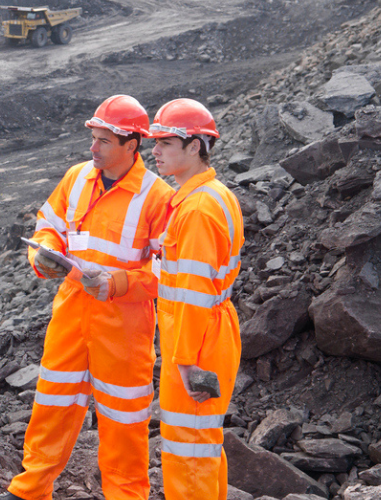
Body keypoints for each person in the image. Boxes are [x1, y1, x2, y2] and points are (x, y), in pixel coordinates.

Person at [0, 95, 174, 500]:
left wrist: (117, 284)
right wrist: (41, 256)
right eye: (93, 138)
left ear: (131, 145)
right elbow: (48, 226)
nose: (93, 148)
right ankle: (30, 491)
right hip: (71, 312)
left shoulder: (157, 197)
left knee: (124, 421)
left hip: (124, 326)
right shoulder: (77, 178)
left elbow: (167, 273)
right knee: (52, 404)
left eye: (104, 141)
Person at [143, 98, 243, 500]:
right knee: (201, 444)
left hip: (197, 341)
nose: (155, 151)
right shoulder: (207, 196)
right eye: (155, 142)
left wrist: (185, 362)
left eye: (165, 142)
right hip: (203, 333)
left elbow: (193, 294)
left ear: (195, 146)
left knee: (189, 450)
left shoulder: (198, 209)